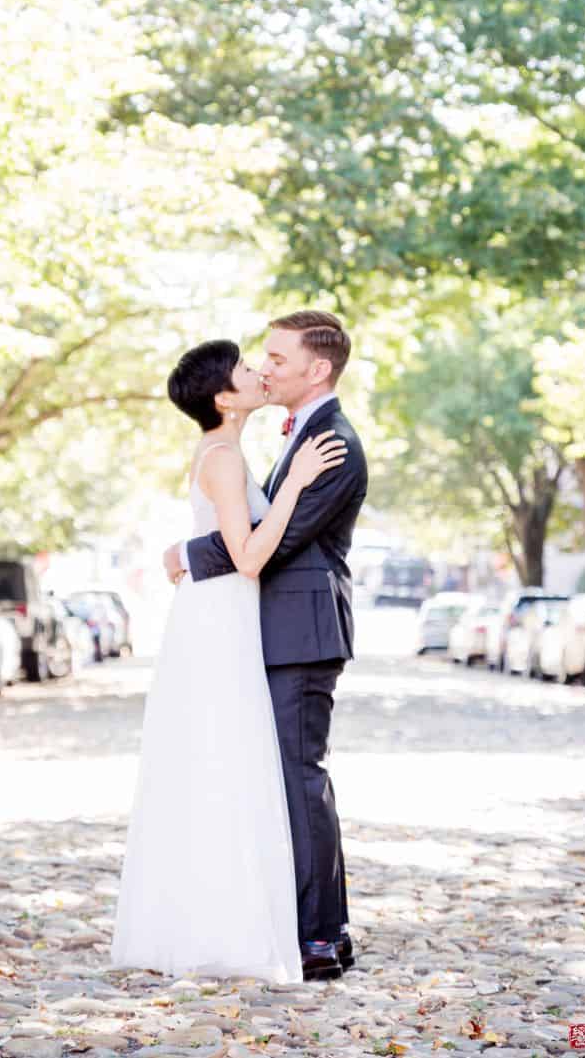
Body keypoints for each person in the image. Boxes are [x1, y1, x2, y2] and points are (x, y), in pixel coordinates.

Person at [111, 336, 347, 982]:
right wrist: (296, 482)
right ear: (223, 395)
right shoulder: (220, 454)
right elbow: (247, 554)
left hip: (226, 614)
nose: (258, 371)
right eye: (247, 366)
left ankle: (234, 917)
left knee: (229, 762)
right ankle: (218, 927)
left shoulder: (228, 450)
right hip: (218, 619)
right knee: (224, 760)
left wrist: (186, 551)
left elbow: (221, 541)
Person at [164, 309, 368, 983]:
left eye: (278, 358)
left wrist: (191, 554)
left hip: (301, 631)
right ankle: (317, 930)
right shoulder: (292, 437)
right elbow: (255, 521)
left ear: (318, 369)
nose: (267, 366)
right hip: (274, 628)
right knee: (288, 780)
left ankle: (317, 936)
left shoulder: (333, 442)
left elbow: (275, 537)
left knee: (299, 780)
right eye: (262, 359)